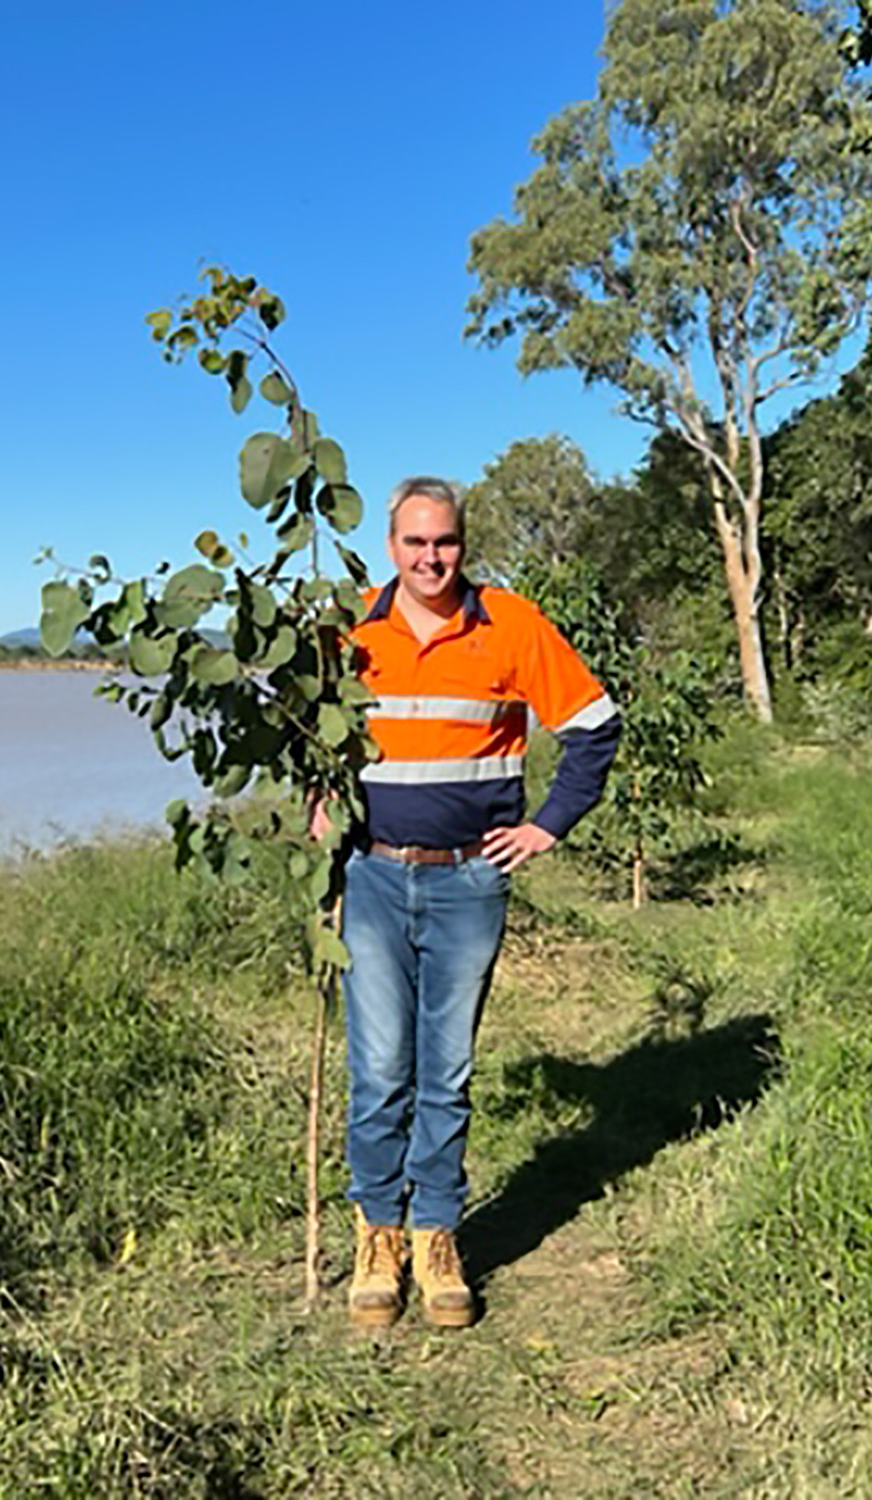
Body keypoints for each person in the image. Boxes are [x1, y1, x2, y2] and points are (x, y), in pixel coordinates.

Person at [324, 476, 620, 1329]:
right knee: (379, 1070)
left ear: (463, 543)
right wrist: (315, 798)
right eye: (415, 543)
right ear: (391, 547)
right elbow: (312, 729)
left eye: (444, 542)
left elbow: (595, 725)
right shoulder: (349, 629)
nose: (430, 557)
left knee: (445, 1071)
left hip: (468, 882)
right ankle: (376, 1236)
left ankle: (437, 1235)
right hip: (372, 877)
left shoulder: (511, 624)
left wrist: (547, 827)